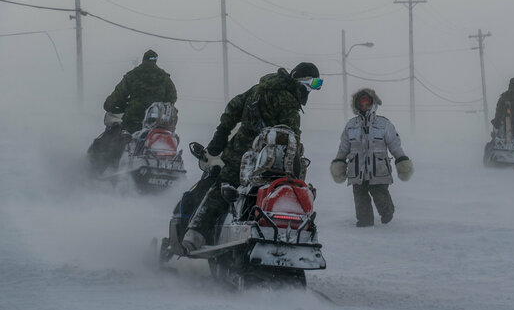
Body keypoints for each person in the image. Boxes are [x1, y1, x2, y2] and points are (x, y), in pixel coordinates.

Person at [182, 62, 322, 251]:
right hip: (271, 163)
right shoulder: (288, 102)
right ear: (299, 80)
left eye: (317, 84)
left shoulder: (258, 89)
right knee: (275, 194)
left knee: (222, 188)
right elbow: (292, 140)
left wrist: (219, 140)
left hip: (239, 154)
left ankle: (196, 233)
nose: (312, 89)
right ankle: (283, 234)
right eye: (312, 83)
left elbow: (233, 108)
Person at [330, 88, 413, 227]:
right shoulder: (351, 125)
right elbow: (344, 147)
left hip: (378, 169)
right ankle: (364, 220)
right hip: (356, 169)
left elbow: (394, 144)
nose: (364, 107)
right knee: (359, 197)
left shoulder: (384, 124)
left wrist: (401, 159)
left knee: (380, 194)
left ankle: (387, 211)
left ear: (373, 104)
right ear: (356, 106)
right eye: (361, 105)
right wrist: (339, 161)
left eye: (367, 104)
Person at [103, 49, 177, 133]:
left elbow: (119, 94)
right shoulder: (164, 77)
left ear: (144, 59)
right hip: (155, 122)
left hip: (133, 120)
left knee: (124, 141)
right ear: (155, 60)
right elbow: (172, 97)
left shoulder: (133, 74)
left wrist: (110, 104)